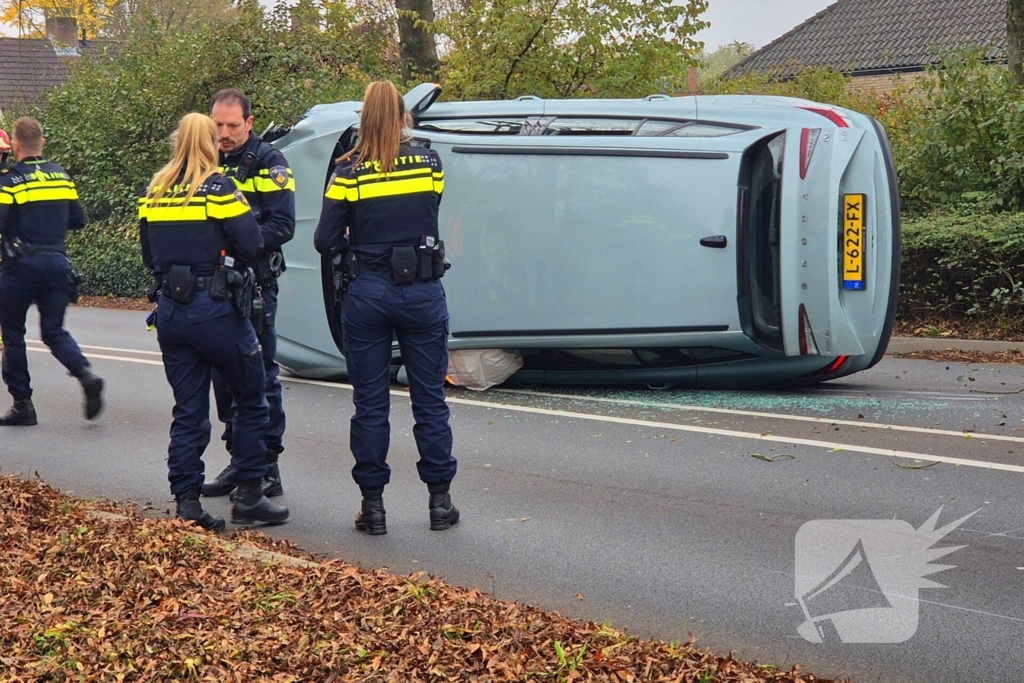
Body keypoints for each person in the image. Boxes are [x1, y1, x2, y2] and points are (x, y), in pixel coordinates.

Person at [314, 80, 458, 535]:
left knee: (371, 405)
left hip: (369, 293)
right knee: (430, 402)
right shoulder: (431, 161)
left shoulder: (348, 172)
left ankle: (373, 508)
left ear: (363, 120)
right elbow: (429, 210)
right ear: (403, 117)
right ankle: (440, 504)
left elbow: (323, 241)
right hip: (422, 291)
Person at [139, 112, 289, 531]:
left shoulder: (154, 189)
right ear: (207, 143)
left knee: (188, 409)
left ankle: (187, 503)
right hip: (217, 309)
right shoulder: (220, 186)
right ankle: (250, 496)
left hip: (171, 310)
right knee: (252, 397)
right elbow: (254, 242)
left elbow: (149, 256)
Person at [201, 89, 295, 501]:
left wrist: (240, 244)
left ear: (250, 123)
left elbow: (283, 226)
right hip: (216, 287)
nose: (223, 133)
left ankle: (266, 465)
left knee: (259, 378)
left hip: (254, 286)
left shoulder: (270, 162)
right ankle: (239, 459)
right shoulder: (205, 161)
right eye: (217, 125)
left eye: (232, 126)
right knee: (223, 377)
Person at [0, 117, 103, 426]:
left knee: (13, 335)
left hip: (20, 266)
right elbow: (78, 220)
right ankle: (85, 374)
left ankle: (23, 405)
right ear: (42, 142)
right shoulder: (61, 175)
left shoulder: (9, 181)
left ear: (16, 145)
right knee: (54, 331)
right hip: (58, 264)